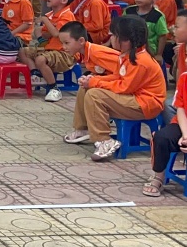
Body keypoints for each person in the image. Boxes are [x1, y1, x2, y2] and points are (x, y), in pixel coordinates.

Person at [66, 15, 167, 161]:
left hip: (145, 105)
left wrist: (95, 83)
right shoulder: (127, 55)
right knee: (86, 88)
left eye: (113, 35)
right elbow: (118, 77)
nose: (110, 38)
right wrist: (94, 79)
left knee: (95, 94)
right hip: (135, 98)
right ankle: (83, 129)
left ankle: (104, 140)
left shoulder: (140, 61)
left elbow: (124, 87)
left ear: (126, 40)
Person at [145, 14, 187, 195]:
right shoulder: (185, 78)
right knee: (161, 137)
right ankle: (158, 176)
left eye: (177, 26)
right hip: (184, 123)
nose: (172, 29)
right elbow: (181, 108)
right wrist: (186, 136)